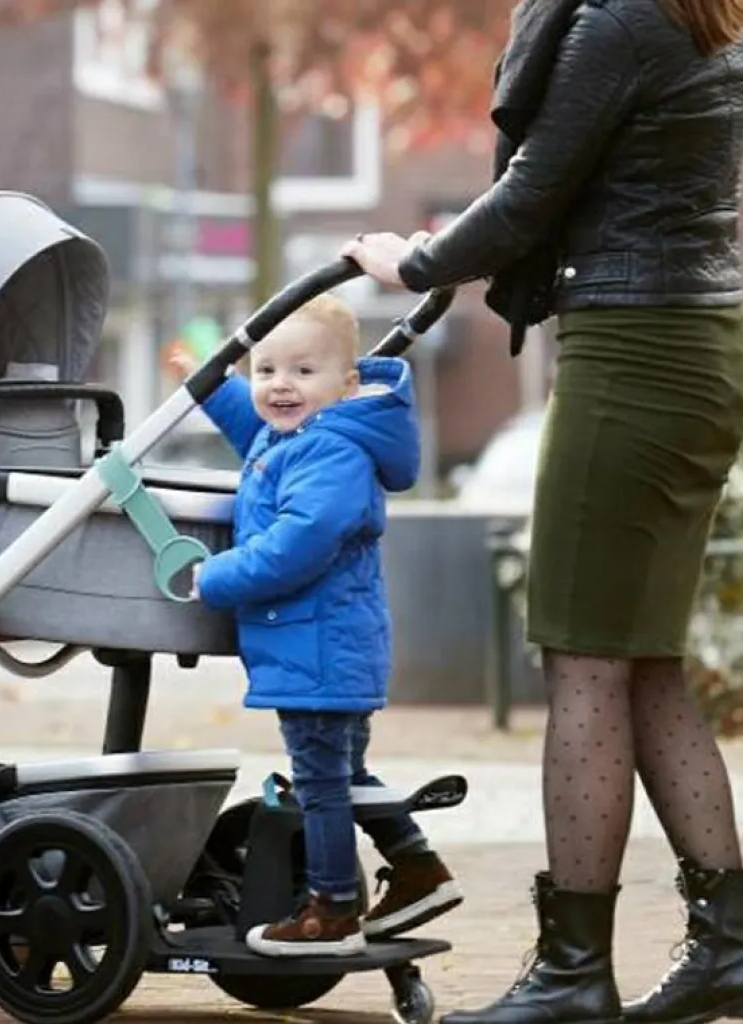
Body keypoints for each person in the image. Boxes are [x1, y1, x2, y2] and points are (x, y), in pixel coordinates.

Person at [340, 0, 743, 1022]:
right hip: (697, 340)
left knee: (583, 656)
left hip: (637, 352)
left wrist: (413, 263)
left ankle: (572, 971)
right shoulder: (706, 17)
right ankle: (730, 946)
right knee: (638, 656)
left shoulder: (623, 21)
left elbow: (529, 196)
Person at [167, 293, 463, 957]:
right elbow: (256, 430)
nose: (279, 385)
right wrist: (209, 380)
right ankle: (418, 870)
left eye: (303, 372)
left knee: (322, 783)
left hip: (320, 650)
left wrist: (214, 577)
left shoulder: (331, 454)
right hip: (323, 648)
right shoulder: (300, 437)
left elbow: (299, 544)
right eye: (266, 369)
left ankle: (331, 910)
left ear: (347, 384)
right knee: (344, 772)